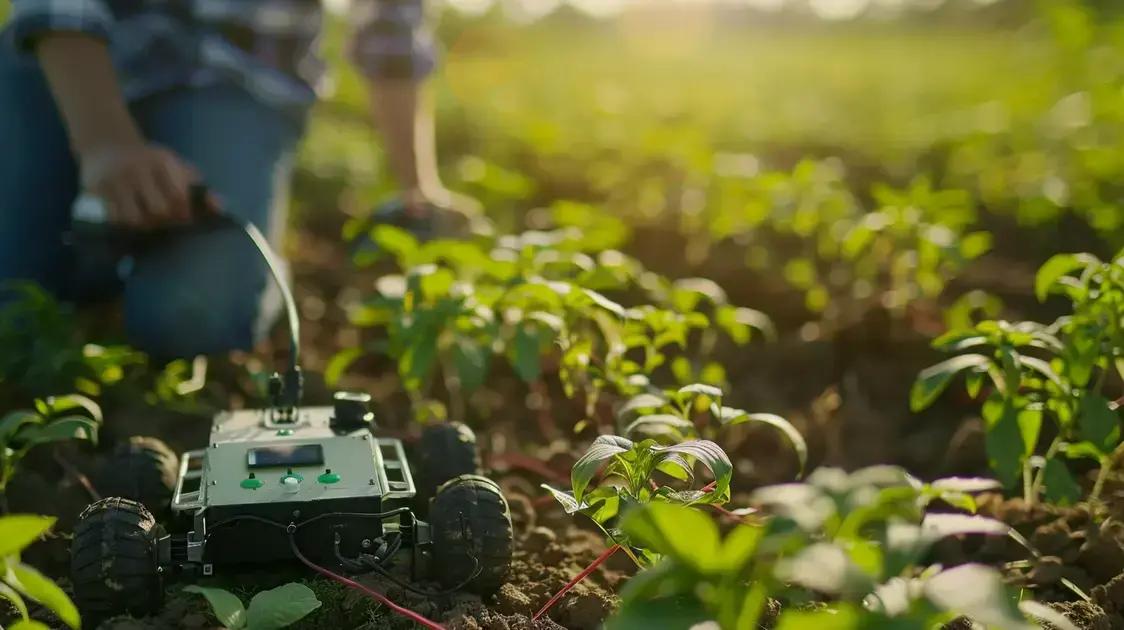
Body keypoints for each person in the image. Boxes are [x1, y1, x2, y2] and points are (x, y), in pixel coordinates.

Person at [0, 0, 474, 358]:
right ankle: (102, 257)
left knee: (190, 318)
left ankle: (229, 254)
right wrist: (105, 144)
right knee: (14, 308)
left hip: (238, 76)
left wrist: (417, 186)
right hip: (58, 50)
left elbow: (391, 26)